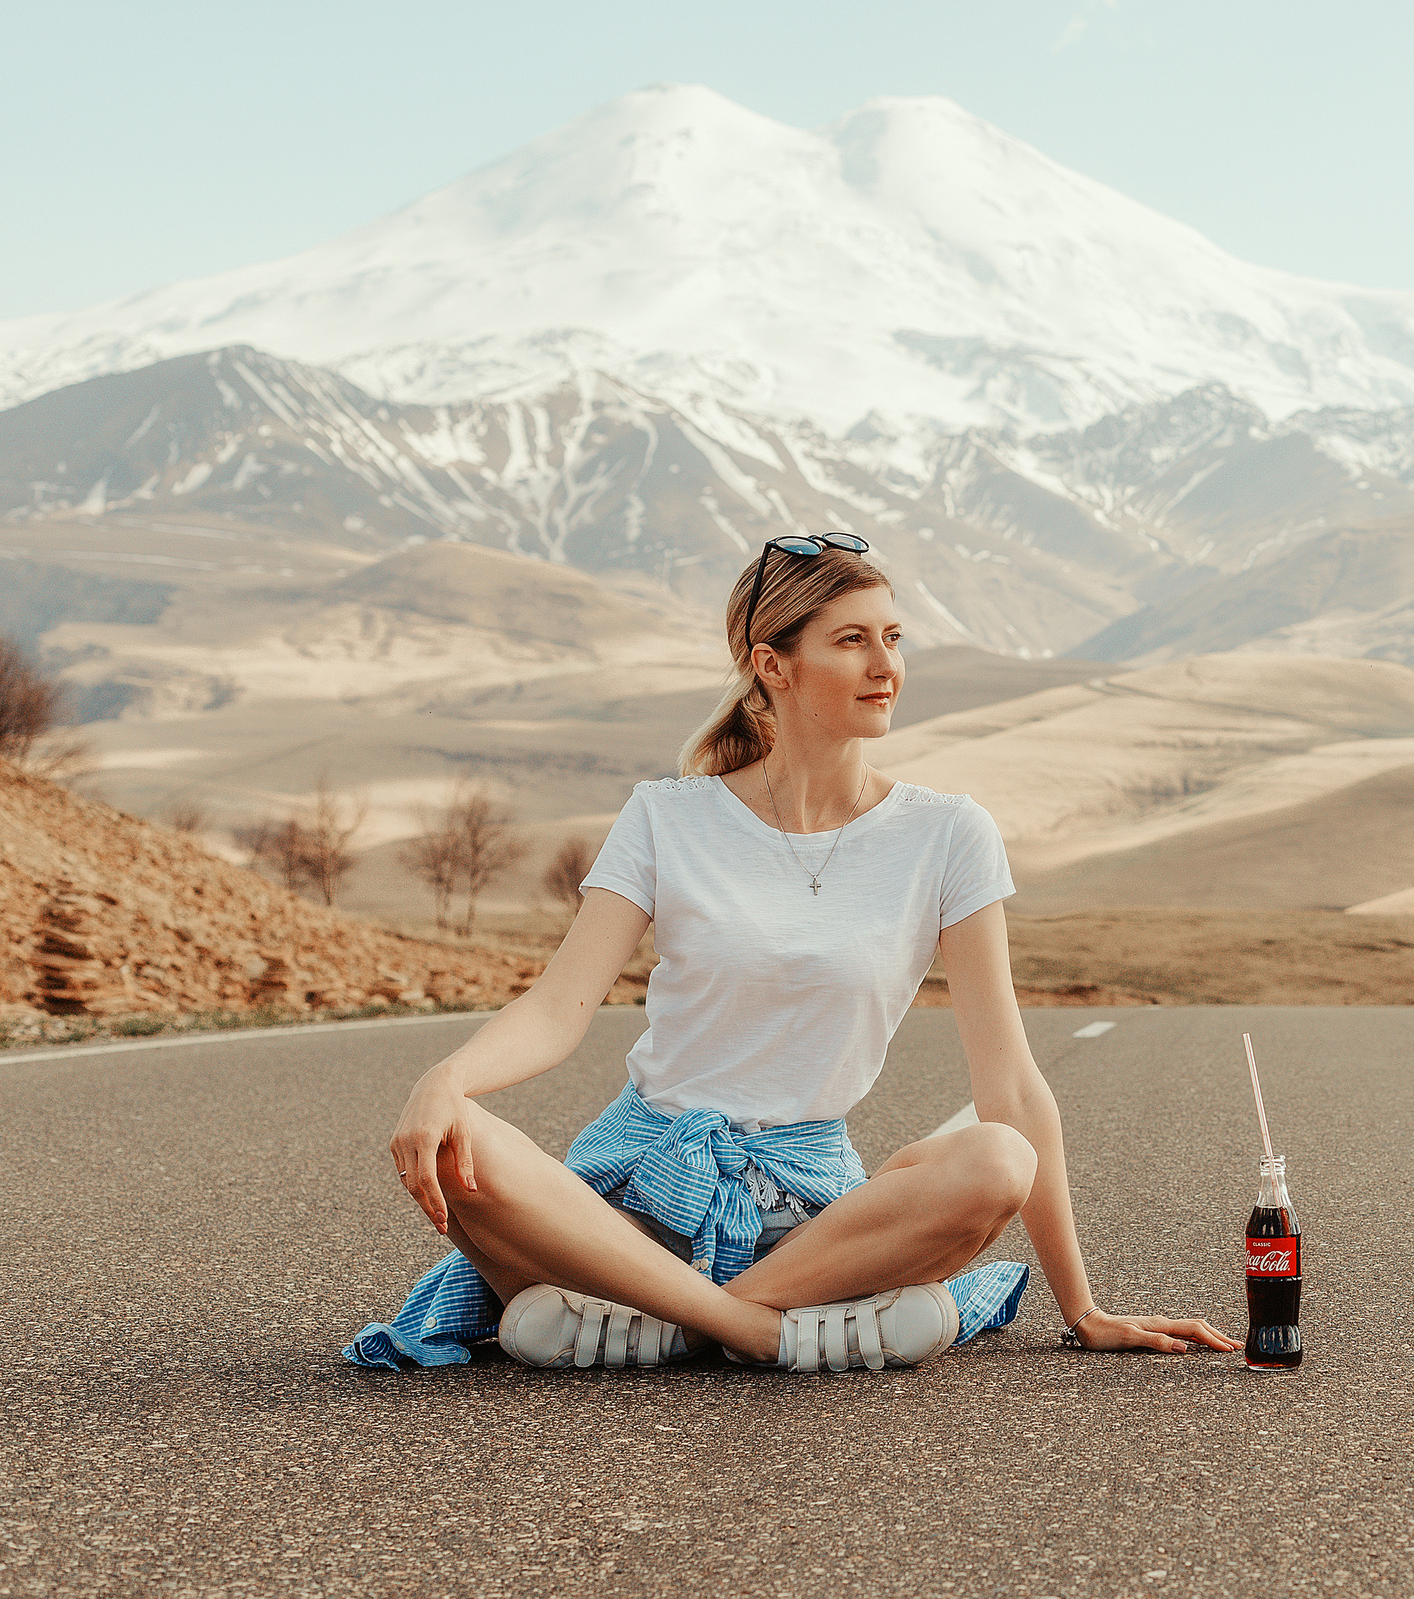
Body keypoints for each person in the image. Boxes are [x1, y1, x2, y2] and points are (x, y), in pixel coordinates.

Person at [347, 533, 1238, 1372]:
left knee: (1000, 1157)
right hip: (638, 1196)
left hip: (813, 1220)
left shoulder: (948, 835)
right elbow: (555, 1010)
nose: (886, 665)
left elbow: (1010, 1083)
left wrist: (1084, 1309)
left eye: (893, 637)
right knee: (460, 1139)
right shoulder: (667, 815)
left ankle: (661, 1320)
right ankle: (760, 1332)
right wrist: (446, 1079)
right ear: (772, 664)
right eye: (852, 640)